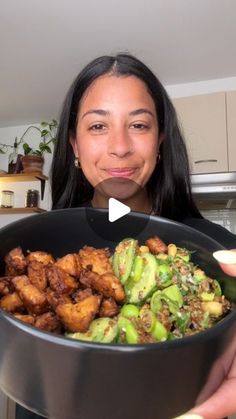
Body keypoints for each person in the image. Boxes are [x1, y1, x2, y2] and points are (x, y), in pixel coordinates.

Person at [16, 53, 236, 419]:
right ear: (74, 144)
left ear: (160, 140)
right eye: (98, 127)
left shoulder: (214, 249)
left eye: (139, 125)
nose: (120, 146)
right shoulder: (45, 246)